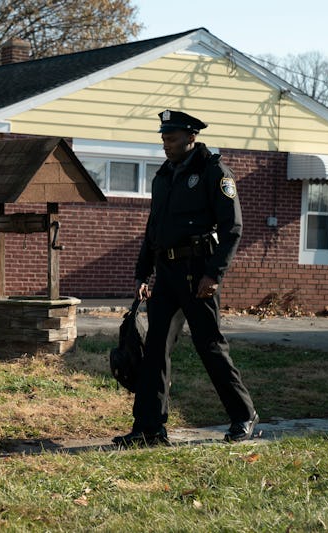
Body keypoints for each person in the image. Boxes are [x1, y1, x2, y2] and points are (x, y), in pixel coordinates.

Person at [113, 110, 258, 447]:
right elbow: (154, 228)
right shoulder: (163, 175)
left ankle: (243, 415)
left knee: (209, 346)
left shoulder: (213, 171)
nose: (166, 145)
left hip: (198, 272)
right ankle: (149, 429)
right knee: (154, 350)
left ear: (191, 137)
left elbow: (232, 228)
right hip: (165, 274)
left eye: (172, 138)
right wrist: (142, 272)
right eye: (163, 138)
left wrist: (214, 273)